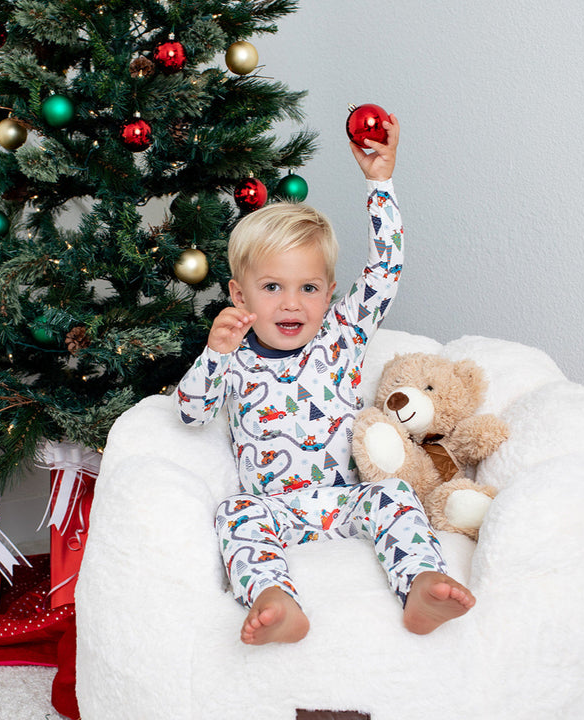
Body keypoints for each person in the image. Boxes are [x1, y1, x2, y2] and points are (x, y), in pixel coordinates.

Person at [176, 116, 475, 645]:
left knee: (395, 496)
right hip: (273, 509)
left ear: (330, 292)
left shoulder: (341, 335)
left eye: (309, 287)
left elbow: (385, 269)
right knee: (233, 514)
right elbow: (190, 414)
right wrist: (213, 355)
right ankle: (275, 599)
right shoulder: (235, 355)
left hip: (345, 498)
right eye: (271, 286)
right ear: (239, 296)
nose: (292, 302)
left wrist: (379, 183)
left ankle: (422, 584)